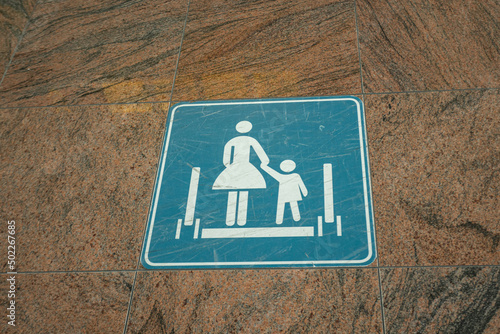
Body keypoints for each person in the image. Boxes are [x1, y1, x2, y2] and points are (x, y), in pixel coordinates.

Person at [213, 121, 269, 226]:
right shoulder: (248, 140)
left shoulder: (240, 140)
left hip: (239, 166)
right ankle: (234, 220)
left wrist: (227, 165)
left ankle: (237, 220)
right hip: (239, 166)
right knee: (236, 190)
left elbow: (227, 155)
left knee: (239, 191)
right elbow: (227, 153)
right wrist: (264, 161)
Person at [260, 160, 308, 225]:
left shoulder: (282, 177)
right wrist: (304, 192)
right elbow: (301, 184)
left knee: (283, 206)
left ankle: (280, 220)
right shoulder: (295, 175)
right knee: (292, 205)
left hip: (285, 194)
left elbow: (273, 173)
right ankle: (294, 219)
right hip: (289, 194)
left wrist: (264, 167)